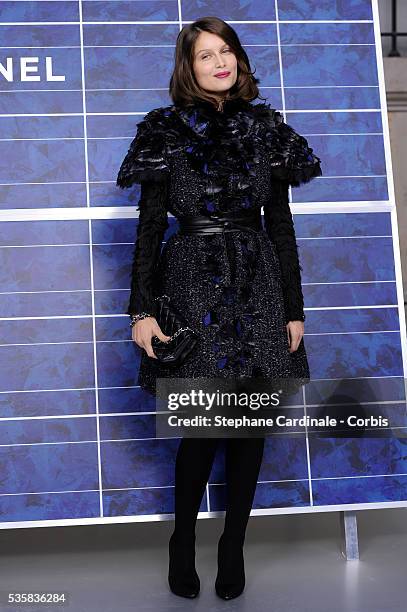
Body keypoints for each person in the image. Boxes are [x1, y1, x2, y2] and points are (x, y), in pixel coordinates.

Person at [116, 16, 322, 601]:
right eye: (206, 55)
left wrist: (293, 309)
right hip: (191, 286)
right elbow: (150, 228)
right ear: (189, 67)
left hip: (258, 286)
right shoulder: (164, 130)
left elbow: (281, 227)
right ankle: (183, 543)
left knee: (250, 430)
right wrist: (142, 312)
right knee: (204, 430)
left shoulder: (266, 129)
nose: (220, 62)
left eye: (226, 50)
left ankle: (233, 545)